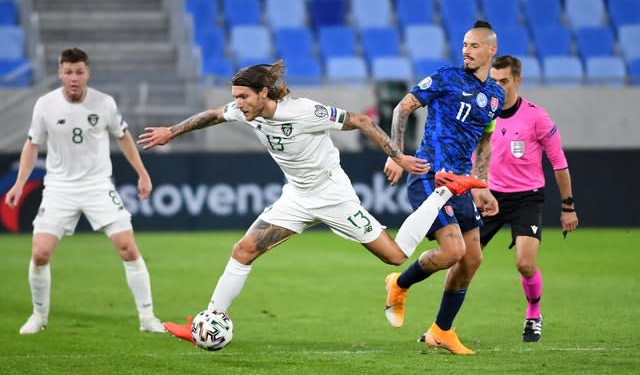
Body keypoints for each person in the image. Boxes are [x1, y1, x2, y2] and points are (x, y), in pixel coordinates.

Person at [136, 60, 488, 344]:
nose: (238, 103)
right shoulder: (245, 111)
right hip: (297, 197)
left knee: (395, 256)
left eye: (243, 97)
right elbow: (213, 114)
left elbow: (361, 120)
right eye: (236, 97)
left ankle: (443, 190)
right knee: (243, 250)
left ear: (263, 93)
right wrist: (171, 132)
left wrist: (397, 156)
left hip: (334, 197)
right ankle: (209, 321)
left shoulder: (304, 111)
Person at [4, 48, 165, 334]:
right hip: (59, 188)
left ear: (87, 72)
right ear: (60, 73)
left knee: (128, 248)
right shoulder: (45, 104)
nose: (74, 78)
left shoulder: (104, 103)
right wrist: (19, 183)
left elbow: (123, 137)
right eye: (68, 72)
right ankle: (39, 316)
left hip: (97, 186)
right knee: (40, 253)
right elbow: (32, 145)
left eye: (79, 72)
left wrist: (143, 173)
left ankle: (148, 318)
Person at [383, 20, 505, 355]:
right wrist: (396, 153)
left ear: (491, 50)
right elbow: (403, 107)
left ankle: (441, 331)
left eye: (474, 45)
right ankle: (399, 283)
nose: (467, 51)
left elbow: (485, 140)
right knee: (453, 252)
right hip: (428, 175)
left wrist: (482, 184)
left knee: (472, 260)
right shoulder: (445, 77)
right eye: (465, 44)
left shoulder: (495, 95)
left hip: (461, 184)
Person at [481, 55, 579, 342]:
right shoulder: (483, 114)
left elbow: (559, 162)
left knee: (524, 264)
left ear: (518, 80)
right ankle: (442, 327)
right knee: (463, 259)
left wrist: (567, 206)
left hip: (527, 198)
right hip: (490, 196)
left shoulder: (536, 117)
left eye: (504, 81)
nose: (498, 87)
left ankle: (533, 314)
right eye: (493, 81)